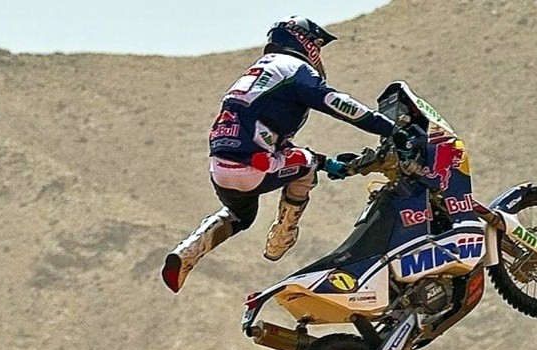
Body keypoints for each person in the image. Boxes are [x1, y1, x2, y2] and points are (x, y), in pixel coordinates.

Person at [162, 16, 397, 293]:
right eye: (317, 46)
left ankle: (187, 252)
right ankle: (282, 236)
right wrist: (389, 127)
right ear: (305, 41)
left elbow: (270, 143)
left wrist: (329, 163)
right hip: (253, 168)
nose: (318, 55)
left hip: (221, 169)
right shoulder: (294, 68)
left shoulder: (256, 74)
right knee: (305, 165)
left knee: (240, 216)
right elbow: (336, 103)